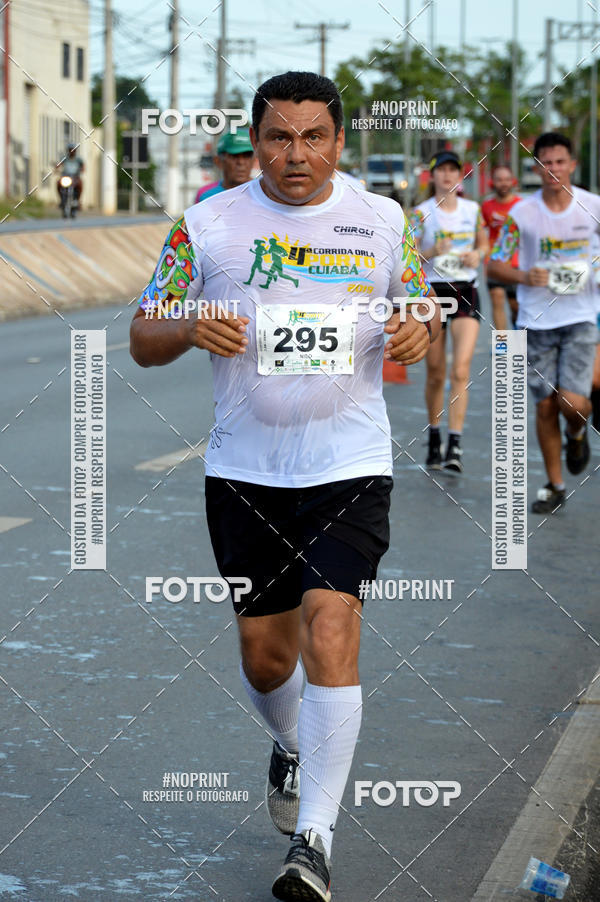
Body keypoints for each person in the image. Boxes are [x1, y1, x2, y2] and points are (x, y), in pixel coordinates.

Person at [131, 70, 439, 902]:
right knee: (268, 660)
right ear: (254, 142)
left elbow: (419, 306)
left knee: (332, 622)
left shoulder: (383, 221)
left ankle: (315, 840)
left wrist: (416, 328)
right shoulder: (205, 224)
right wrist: (186, 324)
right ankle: (291, 737)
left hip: (349, 464)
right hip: (244, 473)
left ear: (340, 142)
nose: (294, 153)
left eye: (312, 137)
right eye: (277, 136)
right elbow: (142, 335)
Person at [488, 132, 599, 513]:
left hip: (581, 317)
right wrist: (524, 277)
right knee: (544, 407)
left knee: (570, 402)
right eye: (545, 163)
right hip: (536, 320)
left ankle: (578, 430)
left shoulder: (592, 207)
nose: (553, 169)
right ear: (536, 168)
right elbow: (496, 263)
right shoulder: (522, 214)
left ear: (572, 165)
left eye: (560, 162)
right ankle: (554, 485)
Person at [410, 150, 488, 472]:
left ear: (460, 176)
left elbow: (485, 243)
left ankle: (454, 445)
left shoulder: (473, 210)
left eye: (453, 170)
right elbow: (409, 256)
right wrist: (431, 250)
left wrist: (477, 255)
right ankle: (434, 436)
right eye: (441, 170)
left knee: (461, 370)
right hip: (435, 293)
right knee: (436, 371)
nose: (447, 175)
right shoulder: (421, 212)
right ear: (433, 176)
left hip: (465, 290)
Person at [481, 165, 521, 329]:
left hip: (517, 264)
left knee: (516, 306)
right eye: (499, 180)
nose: (503, 183)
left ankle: (517, 340)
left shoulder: (521, 205)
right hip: (495, 261)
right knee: (496, 298)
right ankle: (503, 346)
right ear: (492, 182)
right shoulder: (486, 206)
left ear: (513, 182)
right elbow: (481, 231)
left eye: (506, 179)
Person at [194, 128, 255, 202]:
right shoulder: (205, 196)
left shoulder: (267, 193)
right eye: (234, 156)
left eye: (247, 156)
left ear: (254, 160)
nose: (241, 162)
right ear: (218, 161)